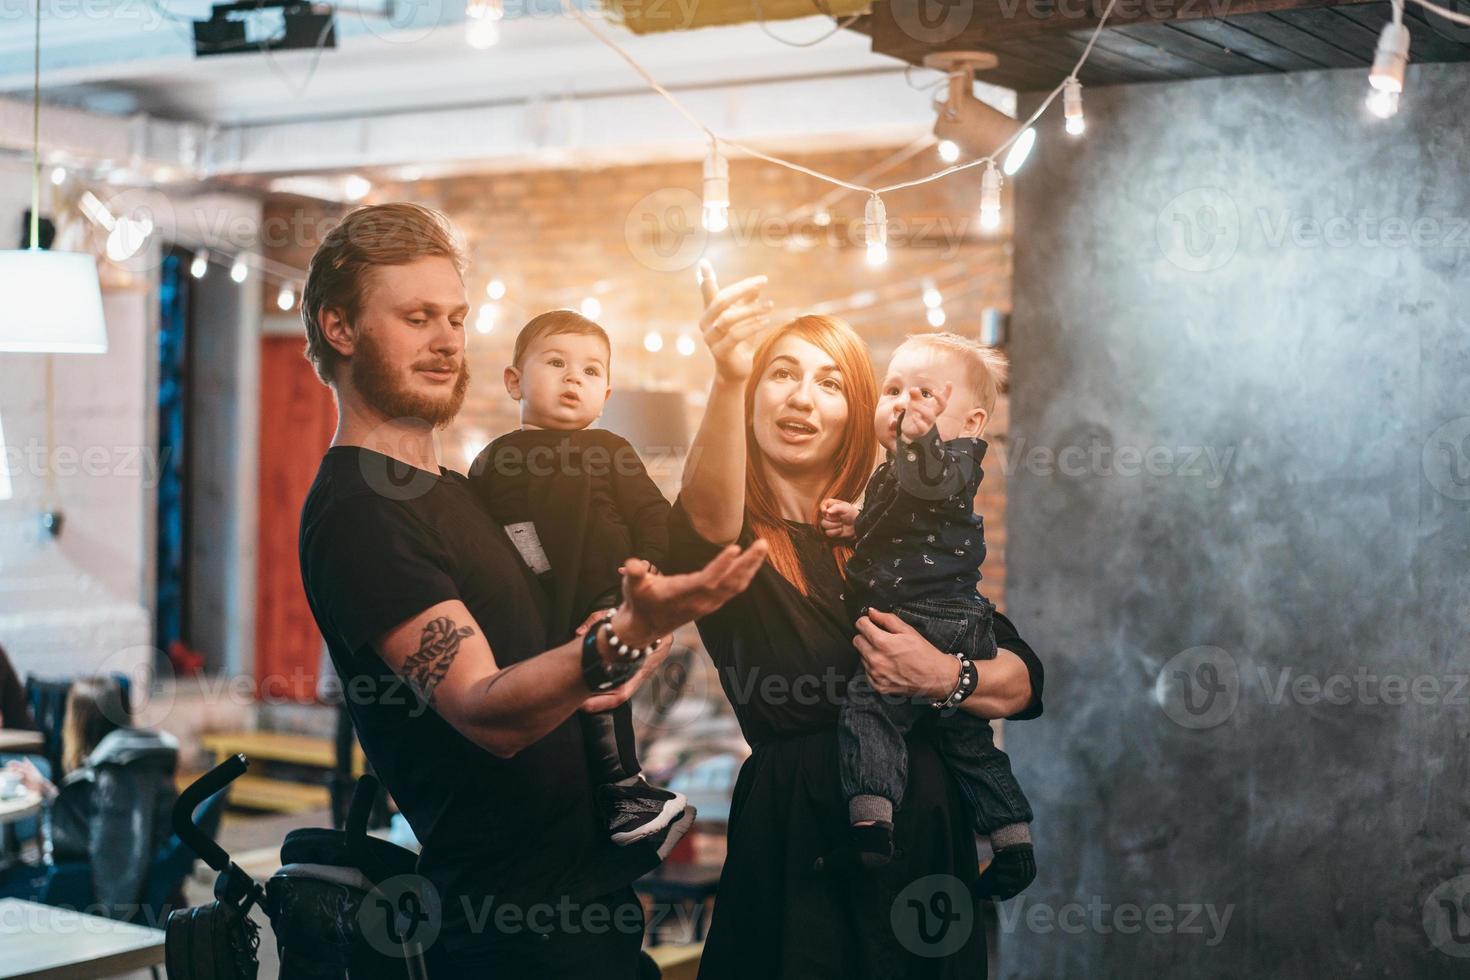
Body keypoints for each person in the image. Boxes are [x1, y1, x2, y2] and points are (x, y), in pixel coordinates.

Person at [295, 203, 767, 977]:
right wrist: (614, 642)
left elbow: (694, 532)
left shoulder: (458, 490)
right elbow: (486, 711)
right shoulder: (361, 512)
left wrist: (730, 377)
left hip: (584, 896)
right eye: (417, 318)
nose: (448, 339)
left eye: (456, 317)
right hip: (508, 928)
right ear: (340, 328)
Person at [669, 261, 1045, 978]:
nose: (802, 397)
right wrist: (724, 374)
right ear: (752, 395)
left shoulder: (896, 535)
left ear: (857, 410)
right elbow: (706, 518)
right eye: (780, 374)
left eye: (830, 382)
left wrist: (945, 676)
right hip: (798, 829)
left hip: (927, 833)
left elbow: (1024, 679)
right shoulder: (727, 535)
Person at [813, 332, 1035, 900]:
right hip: (951, 618)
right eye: (893, 390)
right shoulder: (896, 471)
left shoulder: (954, 459)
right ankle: (1012, 840)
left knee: (870, 708)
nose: (904, 403)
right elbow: (906, 523)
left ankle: (870, 825)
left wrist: (919, 441)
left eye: (925, 394)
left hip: (930, 616)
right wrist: (858, 520)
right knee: (967, 739)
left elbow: (930, 482)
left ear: (972, 422)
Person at [468, 309, 685, 847]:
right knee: (545, 712)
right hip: (534, 606)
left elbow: (654, 516)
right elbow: (488, 533)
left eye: (590, 371)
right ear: (514, 381)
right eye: (557, 363)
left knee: (605, 697)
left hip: (607, 595)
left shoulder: (608, 450)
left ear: (606, 393)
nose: (573, 378)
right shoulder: (493, 460)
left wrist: (647, 575)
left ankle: (624, 791)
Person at [0, 676, 179, 921]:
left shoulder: (118, 775)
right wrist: (46, 790)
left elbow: (117, 864)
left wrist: (110, 933)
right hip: (89, 880)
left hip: (77, 891)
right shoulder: (131, 759)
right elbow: (96, 820)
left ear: (78, 721)